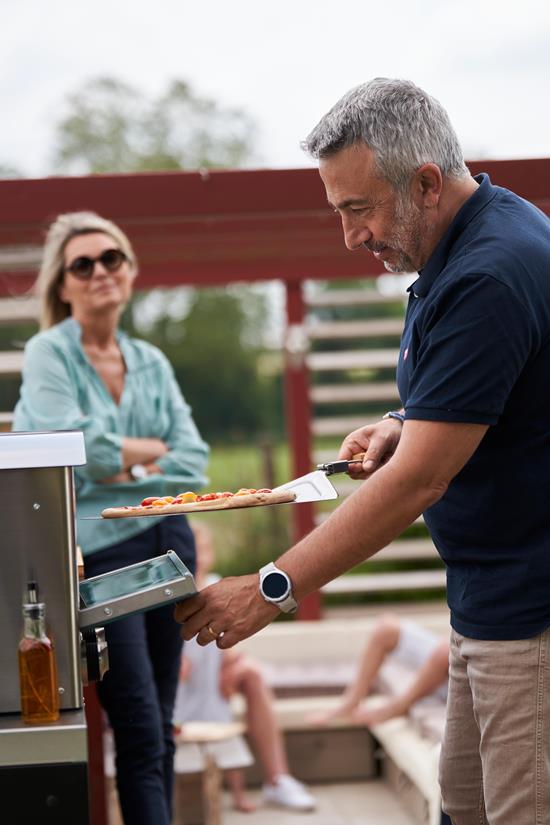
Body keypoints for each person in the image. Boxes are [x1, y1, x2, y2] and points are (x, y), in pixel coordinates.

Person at [175, 78, 550, 825]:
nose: (350, 236)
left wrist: (272, 586)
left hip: (531, 616)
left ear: (426, 182)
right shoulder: (471, 245)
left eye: (359, 209)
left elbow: (417, 483)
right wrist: (406, 416)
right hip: (490, 607)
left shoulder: (489, 271)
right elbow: (484, 388)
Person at [13, 212, 209, 825]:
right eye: (83, 264)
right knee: (139, 726)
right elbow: (80, 447)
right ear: (63, 285)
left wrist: (123, 467)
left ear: (129, 272)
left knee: (165, 729)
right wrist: (149, 454)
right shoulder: (49, 352)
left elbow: (195, 460)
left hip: (169, 539)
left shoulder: (149, 357)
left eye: (112, 259)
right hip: (101, 553)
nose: (100, 271)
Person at [174, 523, 316, 812]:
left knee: (250, 673)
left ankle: (275, 781)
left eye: (205, 549)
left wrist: (232, 663)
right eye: (194, 550)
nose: (200, 556)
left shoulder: (217, 586)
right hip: (184, 682)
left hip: (213, 677)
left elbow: (229, 638)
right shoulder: (176, 596)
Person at [309, 614, 449, 728]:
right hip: (455, 651)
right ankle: (350, 703)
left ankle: (397, 708)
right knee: (385, 629)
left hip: (461, 676)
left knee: (445, 652)